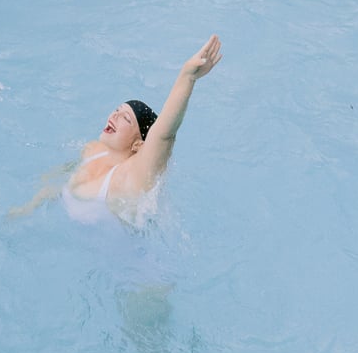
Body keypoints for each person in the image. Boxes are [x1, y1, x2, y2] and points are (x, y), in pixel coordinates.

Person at [13, 36, 222, 224]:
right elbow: (60, 177)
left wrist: (187, 77)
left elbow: (164, 135)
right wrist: (29, 208)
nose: (114, 116)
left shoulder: (131, 177)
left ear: (138, 144)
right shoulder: (93, 150)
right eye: (116, 110)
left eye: (126, 118)